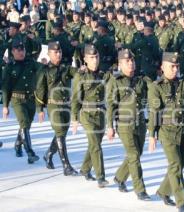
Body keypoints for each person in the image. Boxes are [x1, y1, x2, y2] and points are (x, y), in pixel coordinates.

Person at [148, 52, 184, 212]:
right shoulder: (156, 86)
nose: (175, 69)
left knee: (179, 165)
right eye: (171, 66)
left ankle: (163, 191)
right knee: (175, 165)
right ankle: (182, 203)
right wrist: (152, 134)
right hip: (167, 131)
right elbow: (154, 111)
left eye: (177, 66)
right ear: (162, 67)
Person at [106, 49, 150, 201]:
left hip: (140, 122)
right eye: (127, 61)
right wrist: (110, 126)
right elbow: (111, 105)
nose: (131, 64)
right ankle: (140, 190)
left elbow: (153, 91)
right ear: (120, 64)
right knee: (134, 155)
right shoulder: (115, 80)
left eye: (132, 61)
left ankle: (120, 177)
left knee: (137, 154)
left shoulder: (141, 79)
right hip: (124, 124)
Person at [35, 41, 78, 176]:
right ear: (49, 54)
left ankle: (48, 154)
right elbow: (40, 89)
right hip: (53, 105)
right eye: (55, 52)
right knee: (60, 133)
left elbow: (77, 73)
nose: (58, 54)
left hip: (66, 105)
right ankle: (66, 166)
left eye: (59, 52)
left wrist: (83, 69)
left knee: (62, 133)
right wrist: (40, 109)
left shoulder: (66, 68)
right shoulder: (45, 70)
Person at [71, 44, 111, 187]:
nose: (95, 60)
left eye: (97, 57)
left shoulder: (103, 74)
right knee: (95, 145)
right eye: (92, 58)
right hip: (86, 114)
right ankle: (101, 177)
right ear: (85, 59)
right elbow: (75, 99)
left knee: (95, 144)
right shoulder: (80, 75)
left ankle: (85, 169)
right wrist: (74, 118)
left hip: (100, 113)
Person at [2, 39, 40, 164]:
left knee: (26, 125)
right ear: (13, 51)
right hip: (17, 99)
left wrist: (48, 64)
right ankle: (30, 152)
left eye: (22, 49)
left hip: (30, 99)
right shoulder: (9, 67)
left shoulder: (31, 63)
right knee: (24, 123)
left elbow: (43, 69)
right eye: (18, 50)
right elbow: (6, 87)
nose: (21, 52)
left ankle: (18, 143)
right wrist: (6, 106)